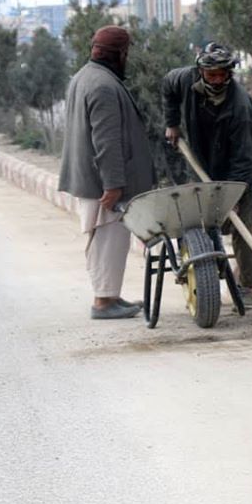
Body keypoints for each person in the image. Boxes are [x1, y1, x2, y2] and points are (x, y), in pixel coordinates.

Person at [58, 25, 156, 320]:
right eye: (126, 53)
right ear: (120, 53)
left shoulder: (83, 77)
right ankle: (103, 302)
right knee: (107, 242)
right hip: (103, 184)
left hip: (90, 179)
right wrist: (113, 184)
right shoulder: (102, 85)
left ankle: (110, 295)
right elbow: (106, 141)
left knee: (109, 242)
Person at [162, 42, 252, 306]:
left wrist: (236, 193)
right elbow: (168, 86)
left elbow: (244, 157)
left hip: (238, 165)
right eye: (211, 74)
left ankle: (248, 285)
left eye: (222, 74)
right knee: (201, 217)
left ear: (229, 74)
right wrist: (172, 123)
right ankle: (207, 270)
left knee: (242, 223)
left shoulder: (241, 107)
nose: (217, 80)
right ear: (200, 71)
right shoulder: (184, 78)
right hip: (201, 158)